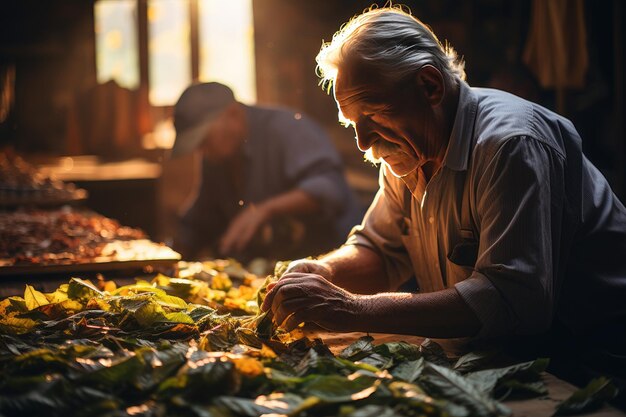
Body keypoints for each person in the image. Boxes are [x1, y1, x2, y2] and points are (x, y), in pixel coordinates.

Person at [261, 6, 626, 401]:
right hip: (510, 359)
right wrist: (322, 271)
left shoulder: (510, 145)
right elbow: (380, 251)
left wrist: (350, 308)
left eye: (373, 113)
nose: (364, 143)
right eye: (352, 124)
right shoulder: (407, 153)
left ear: (430, 86)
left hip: (596, 362)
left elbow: (511, 300)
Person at [171, 82, 362, 262]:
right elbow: (201, 215)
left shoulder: (289, 129)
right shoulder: (216, 155)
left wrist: (264, 210)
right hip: (270, 268)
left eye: (204, 140)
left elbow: (330, 189)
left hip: (334, 259)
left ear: (233, 114)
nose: (202, 150)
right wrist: (172, 254)